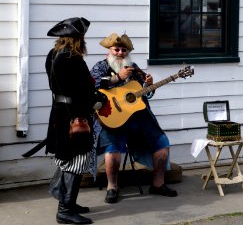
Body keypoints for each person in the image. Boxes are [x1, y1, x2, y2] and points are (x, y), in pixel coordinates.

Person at [90, 33, 177, 204]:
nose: (120, 53)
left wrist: (148, 86)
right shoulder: (100, 67)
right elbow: (93, 85)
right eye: (117, 49)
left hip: (139, 118)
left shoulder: (134, 68)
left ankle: (158, 184)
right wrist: (117, 78)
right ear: (109, 50)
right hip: (113, 118)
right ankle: (112, 187)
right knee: (113, 150)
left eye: (124, 50)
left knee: (162, 143)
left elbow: (145, 95)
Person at [45, 17, 109, 224]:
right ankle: (65, 209)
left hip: (61, 112)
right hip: (74, 115)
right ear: (78, 39)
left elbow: (62, 87)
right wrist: (97, 100)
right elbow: (81, 90)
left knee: (68, 159)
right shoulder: (72, 58)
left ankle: (69, 203)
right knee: (76, 160)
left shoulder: (53, 55)